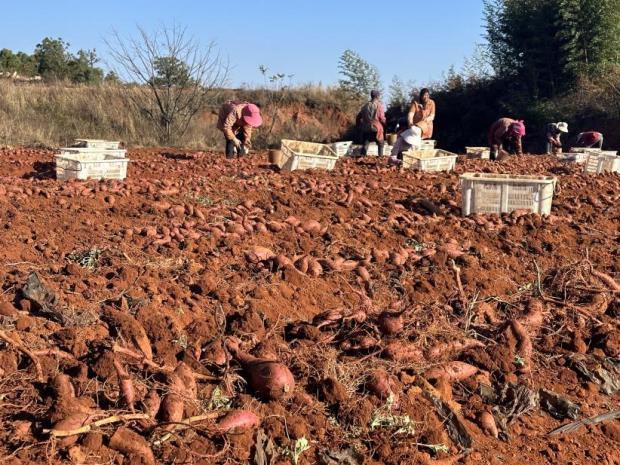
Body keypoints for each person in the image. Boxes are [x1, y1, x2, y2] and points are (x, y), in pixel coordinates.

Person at [356, 90, 386, 157]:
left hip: (366, 127)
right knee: (381, 143)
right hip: (376, 127)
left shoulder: (365, 106)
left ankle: (362, 157)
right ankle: (380, 157)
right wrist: (385, 125)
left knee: (366, 143)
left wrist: (358, 126)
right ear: (377, 96)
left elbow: (358, 117)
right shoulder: (379, 105)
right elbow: (382, 118)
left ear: (371, 96)